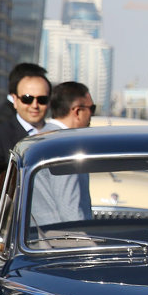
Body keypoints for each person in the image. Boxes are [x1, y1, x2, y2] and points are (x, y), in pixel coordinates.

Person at [0, 63, 51, 233]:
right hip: (6, 231)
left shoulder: (55, 134)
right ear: (15, 99)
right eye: (28, 98)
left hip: (49, 229)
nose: (35, 105)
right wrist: (24, 188)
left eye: (42, 99)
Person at [29, 81, 95, 227]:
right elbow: (70, 210)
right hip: (61, 240)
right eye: (91, 108)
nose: (92, 115)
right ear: (77, 111)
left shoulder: (38, 138)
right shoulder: (65, 146)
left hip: (36, 237)